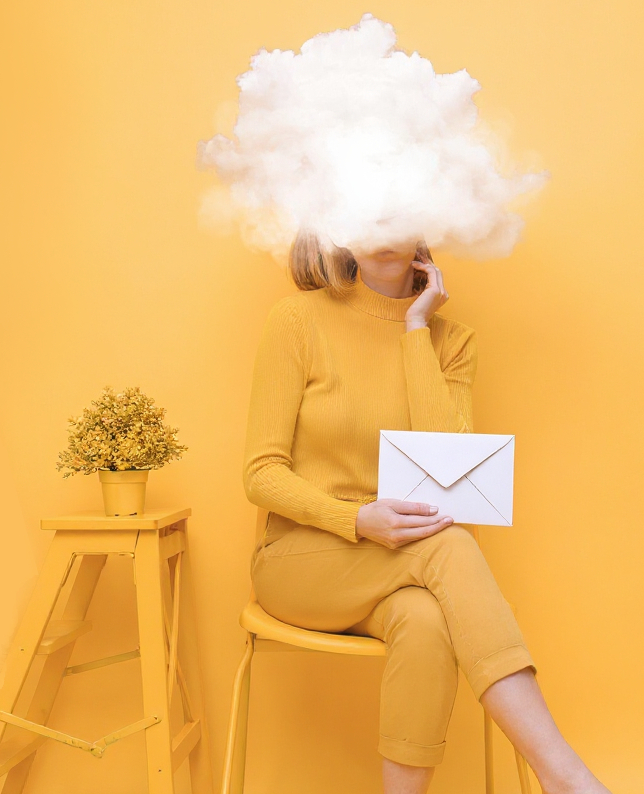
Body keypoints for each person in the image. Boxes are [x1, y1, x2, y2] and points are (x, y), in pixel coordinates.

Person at [243, 229, 611, 794]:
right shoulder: (297, 320)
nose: (385, 229)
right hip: (302, 560)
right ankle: (564, 777)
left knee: (426, 619)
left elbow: (449, 471)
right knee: (450, 543)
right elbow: (261, 473)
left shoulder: (451, 341)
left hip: (402, 567)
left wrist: (416, 330)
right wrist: (356, 519)